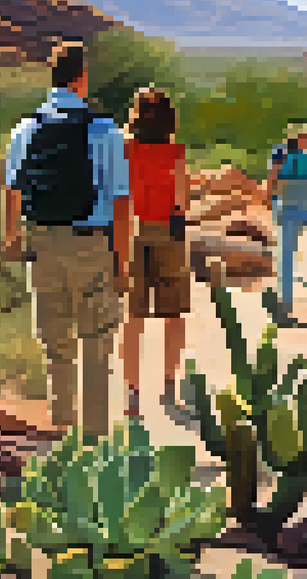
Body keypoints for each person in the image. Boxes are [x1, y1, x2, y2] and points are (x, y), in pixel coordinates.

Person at [3, 40, 131, 443]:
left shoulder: (25, 128)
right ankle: (93, 437)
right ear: (82, 78)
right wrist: (122, 263)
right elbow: (121, 199)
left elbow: (12, 190)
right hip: (90, 244)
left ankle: (62, 425)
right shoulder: (104, 130)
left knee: (55, 339)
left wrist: (12, 237)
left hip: (41, 242)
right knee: (96, 339)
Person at [117, 87, 190, 419]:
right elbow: (182, 202)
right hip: (169, 234)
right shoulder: (175, 152)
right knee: (173, 313)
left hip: (132, 231)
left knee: (133, 316)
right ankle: (169, 385)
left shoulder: (124, 148)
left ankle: (132, 392)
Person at [266, 122, 307, 315]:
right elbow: (274, 178)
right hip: (292, 206)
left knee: (289, 253)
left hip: (301, 207)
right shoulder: (284, 154)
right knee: (287, 254)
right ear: (299, 136)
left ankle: (287, 298)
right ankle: (286, 300)